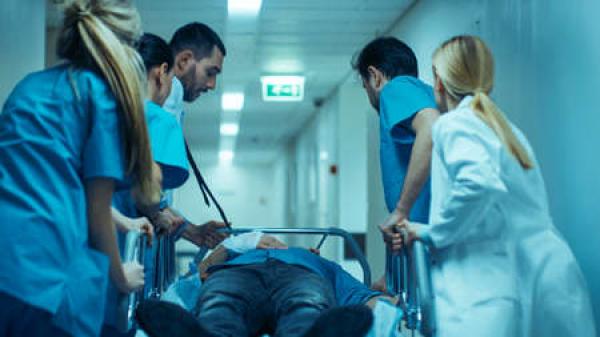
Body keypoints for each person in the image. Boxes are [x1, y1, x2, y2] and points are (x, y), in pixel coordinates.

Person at [397, 35, 596, 337]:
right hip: (544, 274)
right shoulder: (504, 129)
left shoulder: (455, 124)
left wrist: (432, 232)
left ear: (438, 81)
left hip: (487, 284)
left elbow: (478, 183)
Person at [0, 1, 160, 336]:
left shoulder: (28, 87)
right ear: (125, 47)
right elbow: (96, 208)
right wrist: (120, 276)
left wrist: (126, 221)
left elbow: (48, 181)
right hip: (47, 275)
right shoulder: (100, 96)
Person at [101, 32, 191, 337]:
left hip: (90, 237)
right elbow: (148, 191)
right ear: (163, 71)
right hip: (131, 247)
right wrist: (160, 214)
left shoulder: (103, 112)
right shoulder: (160, 121)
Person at [135, 233, 392, 337]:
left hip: (301, 277)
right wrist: (240, 242)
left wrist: (390, 304)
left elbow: (366, 300)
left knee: (305, 306)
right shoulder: (238, 255)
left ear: (315, 251)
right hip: (237, 274)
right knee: (220, 303)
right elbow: (203, 270)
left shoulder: (324, 265)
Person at [352, 37, 439, 268]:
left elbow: (431, 126)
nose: (368, 93)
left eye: (365, 85)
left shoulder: (395, 89)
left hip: (427, 244)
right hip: (424, 242)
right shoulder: (426, 94)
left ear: (375, 76)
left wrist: (401, 211)